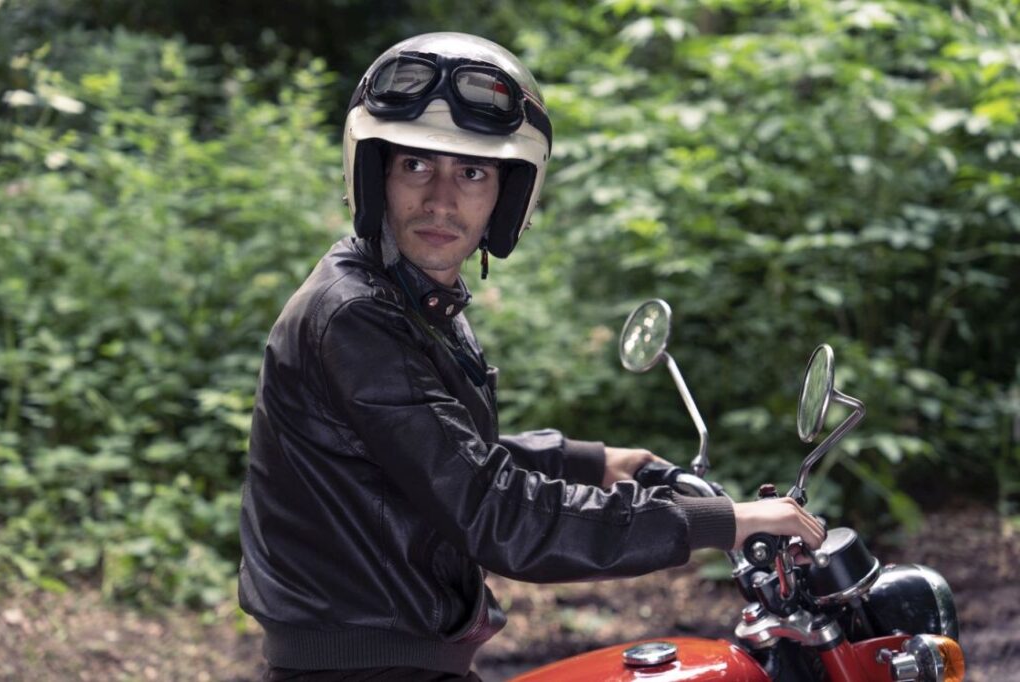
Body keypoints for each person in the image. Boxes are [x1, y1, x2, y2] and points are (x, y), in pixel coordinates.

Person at [238, 32, 825, 681]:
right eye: (416, 165)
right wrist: (717, 522)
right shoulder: (357, 317)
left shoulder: (403, 297)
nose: (440, 199)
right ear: (375, 173)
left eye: (472, 173)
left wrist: (588, 461)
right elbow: (494, 513)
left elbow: (435, 456)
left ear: (507, 194)